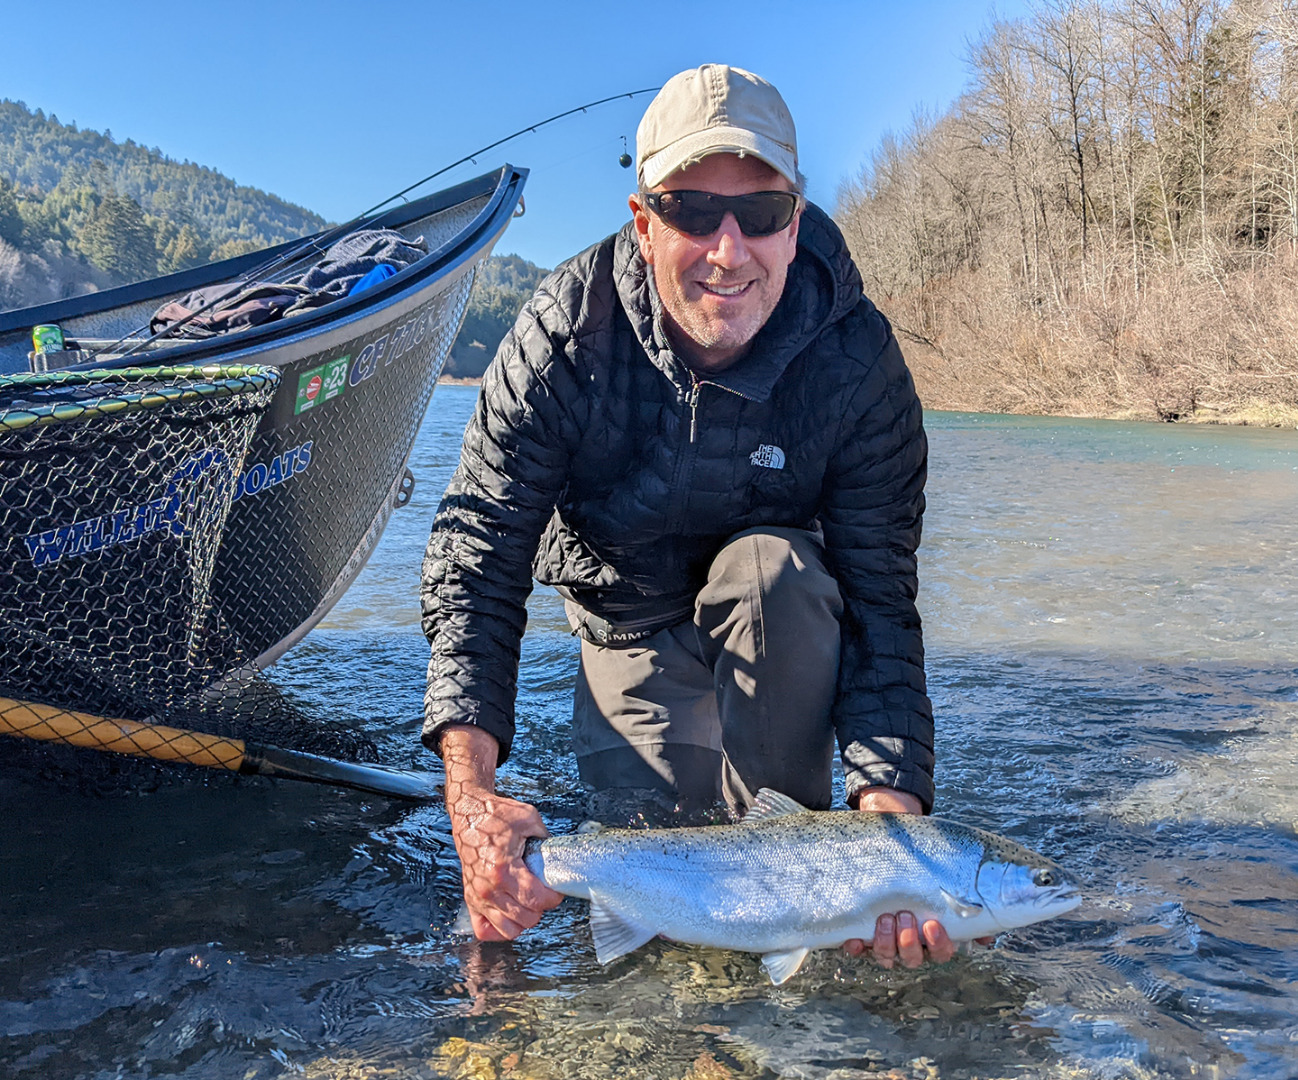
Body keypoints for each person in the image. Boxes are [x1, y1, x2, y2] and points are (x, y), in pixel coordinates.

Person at [421, 65, 948, 970]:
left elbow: (881, 601)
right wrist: (473, 796)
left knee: (772, 572)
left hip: (775, 616)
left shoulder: (858, 360)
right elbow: (479, 555)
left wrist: (890, 827)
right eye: (693, 211)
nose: (729, 249)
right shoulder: (561, 336)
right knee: (662, 920)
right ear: (643, 221)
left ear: (796, 219)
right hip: (624, 619)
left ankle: (798, 875)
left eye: (763, 213)